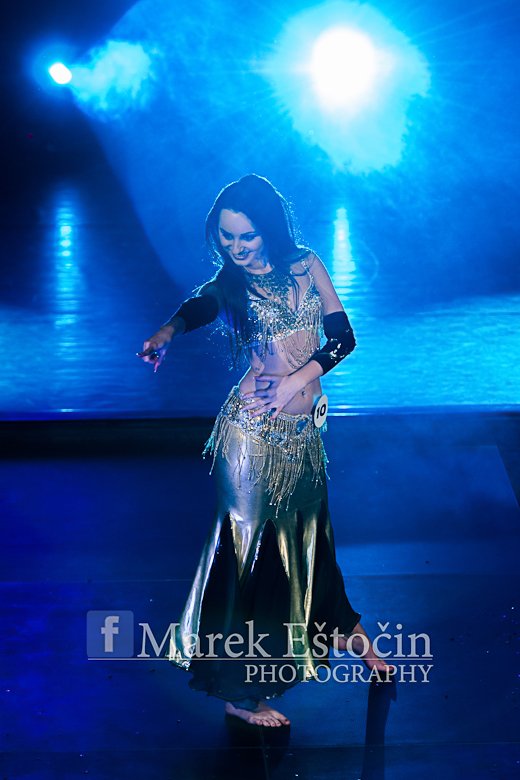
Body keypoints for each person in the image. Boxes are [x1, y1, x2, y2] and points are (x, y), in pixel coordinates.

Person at [138, 174, 395, 728]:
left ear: (269, 228)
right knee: (252, 558)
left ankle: (345, 634)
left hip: (303, 436)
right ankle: (237, 692)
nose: (236, 247)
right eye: (226, 236)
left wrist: (296, 381)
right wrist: (167, 331)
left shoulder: (305, 264)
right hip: (251, 439)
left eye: (247, 236)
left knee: (312, 540)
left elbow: (343, 338)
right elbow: (200, 305)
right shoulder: (231, 284)